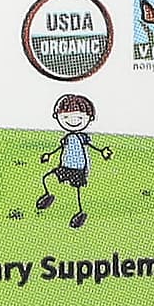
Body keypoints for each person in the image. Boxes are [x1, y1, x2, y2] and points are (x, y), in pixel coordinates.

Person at [35, 93, 111, 228]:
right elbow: (60, 148)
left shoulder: (82, 137)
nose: (73, 121)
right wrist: (49, 155)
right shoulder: (67, 138)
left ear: (90, 118)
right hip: (65, 165)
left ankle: (80, 213)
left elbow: (91, 146)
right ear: (57, 116)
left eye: (80, 118)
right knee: (47, 178)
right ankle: (47, 196)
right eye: (65, 117)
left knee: (77, 191)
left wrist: (102, 151)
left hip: (78, 168)